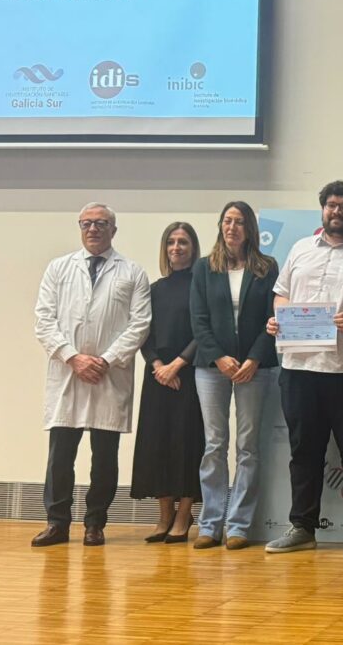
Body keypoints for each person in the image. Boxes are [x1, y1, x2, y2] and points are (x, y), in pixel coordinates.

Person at [263, 181, 343, 555]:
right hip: (299, 368)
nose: (337, 212)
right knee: (304, 451)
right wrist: (277, 319)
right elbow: (281, 293)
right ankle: (302, 526)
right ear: (323, 210)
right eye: (331, 205)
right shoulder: (300, 249)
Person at [32, 203, 151, 547]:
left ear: (114, 230)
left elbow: (140, 323)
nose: (93, 229)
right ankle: (57, 523)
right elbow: (44, 320)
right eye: (87, 223)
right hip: (68, 373)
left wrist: (105, 360)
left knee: (104, 457)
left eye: (101, 223)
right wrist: (73, 358)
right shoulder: (58, 269)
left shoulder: (132, 272)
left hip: (108, 376)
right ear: (79, 228)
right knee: (60, 456)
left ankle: (95, 524)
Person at [190, 201, 279, 551]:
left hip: (254, 369)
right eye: (227, 221)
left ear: (250, 228)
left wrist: (254, 359)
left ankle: (238, 525)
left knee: (247, 447)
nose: (232, 227)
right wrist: (219, 357)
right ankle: (210, 524)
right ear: (220, 226)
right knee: (214, 445)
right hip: (212, 369)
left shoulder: (266, 268)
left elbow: (273, 321)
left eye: (239, 222)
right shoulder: (203, 268)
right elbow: (198, 320)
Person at [130, 222, 205, 544]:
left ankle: (184, 514)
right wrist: (159, 366)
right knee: (157, 443)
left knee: (187, 443)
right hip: (158, 376)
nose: (177, 247)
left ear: (193, 247)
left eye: (183, 242)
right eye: (171, 242)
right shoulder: (154, 289)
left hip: (190, 375)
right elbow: (143, 332)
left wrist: (177, 365)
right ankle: (163, 515)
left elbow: (204, 331)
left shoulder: (202, 287)